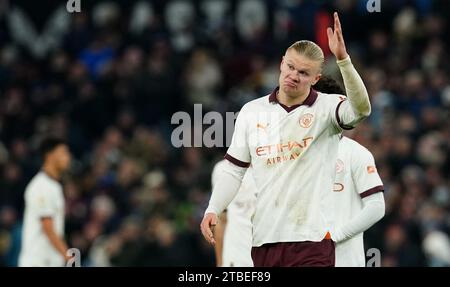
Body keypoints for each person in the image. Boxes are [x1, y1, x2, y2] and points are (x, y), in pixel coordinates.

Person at [201, 12, 372, 267]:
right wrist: (213, 208)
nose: (293, 75)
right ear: (281, 63)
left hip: (312, 241)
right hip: (263, 241)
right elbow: (234, 170)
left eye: (303, 73)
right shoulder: (252, 111)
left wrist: (343, 61)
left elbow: (361, 109)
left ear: (315, 79)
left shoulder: (327, 109)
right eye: (290, 67)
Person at [212, 77, 385, 267]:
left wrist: (335, 235)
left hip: (345, 260)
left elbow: (376, 207)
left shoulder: (356, 154)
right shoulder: (290, 155)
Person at [18, 138, 72, 267]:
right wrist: (70, 258)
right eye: (63, 153)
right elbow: (47, 227)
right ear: (50, 155)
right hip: (37, 261)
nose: (68, 158)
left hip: (50, 260)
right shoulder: (41, 186)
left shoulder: (54, 186)